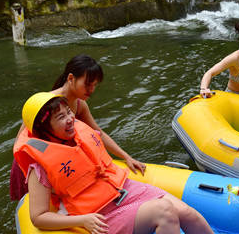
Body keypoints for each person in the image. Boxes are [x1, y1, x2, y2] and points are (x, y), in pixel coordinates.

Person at [14, 92, 239, 234]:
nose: (70, 119)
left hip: (124, 189)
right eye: (60, 117)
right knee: (165, 211)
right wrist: (83, 221)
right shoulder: (40, 168)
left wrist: (126, 157)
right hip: (101, 214)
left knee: (185, 211)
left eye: (68, 112)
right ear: (45, 130)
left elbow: (100, 145)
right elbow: (38, 217)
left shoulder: (79, 135)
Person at [9, 55, 141, 200]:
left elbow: (99, 134)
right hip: (35, 167)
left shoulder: (79, 105)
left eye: (95, 85)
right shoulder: (44, 104)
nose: (91, 90)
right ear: (71, 78)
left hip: (59, 164)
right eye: (88, 84)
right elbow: (20, 142)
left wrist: (127, 157)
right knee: (29, 205)